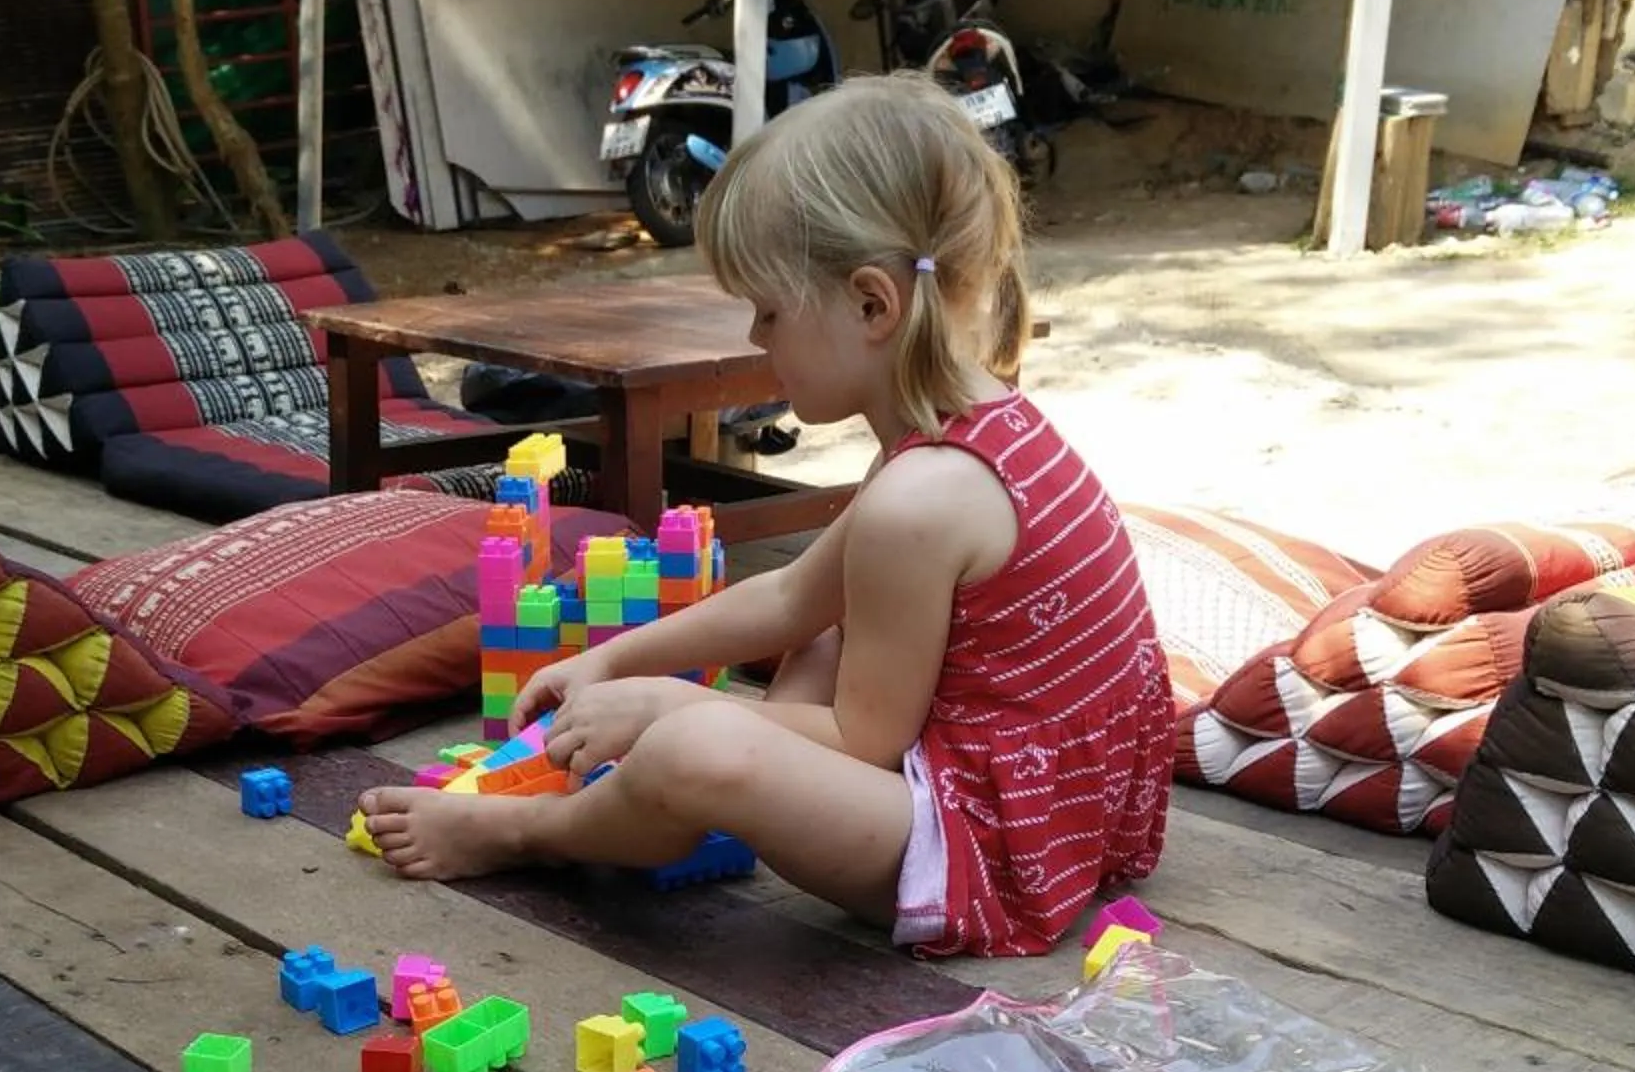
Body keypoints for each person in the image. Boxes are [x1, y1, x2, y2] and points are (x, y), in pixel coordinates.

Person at [356, 74, 1171, 957]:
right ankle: (704, 799)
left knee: (690, 750)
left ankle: (524, 834)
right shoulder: (974, 430)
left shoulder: (919, 500)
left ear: (871, 304)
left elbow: (864, 739)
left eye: (770, 311)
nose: (755, 338)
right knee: (822, 632)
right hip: (1062, 804)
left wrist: (661, 708)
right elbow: (791, 598)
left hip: (985, 852)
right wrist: (611, 660)